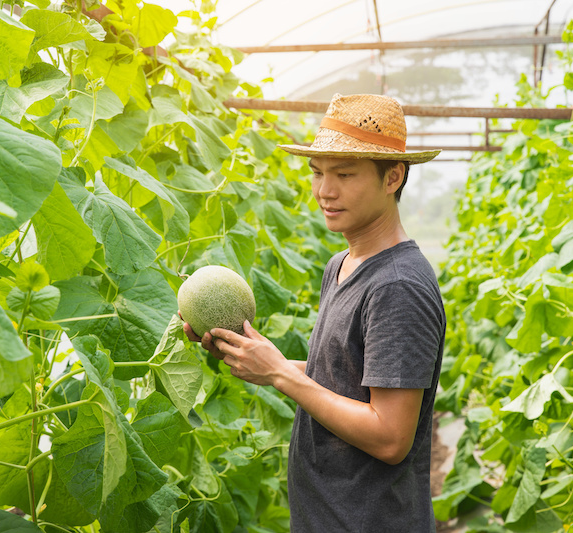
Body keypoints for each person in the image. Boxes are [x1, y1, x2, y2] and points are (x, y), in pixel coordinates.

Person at [182, 93, 446, 532]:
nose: (325, 190)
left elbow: (391, 437)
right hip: (327, 515)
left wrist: (282, 377)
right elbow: (345, 376)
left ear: (392, 178)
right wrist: (260, 359)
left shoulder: (398, 285)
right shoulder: (340, 266)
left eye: (344, 174)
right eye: (318, 173)